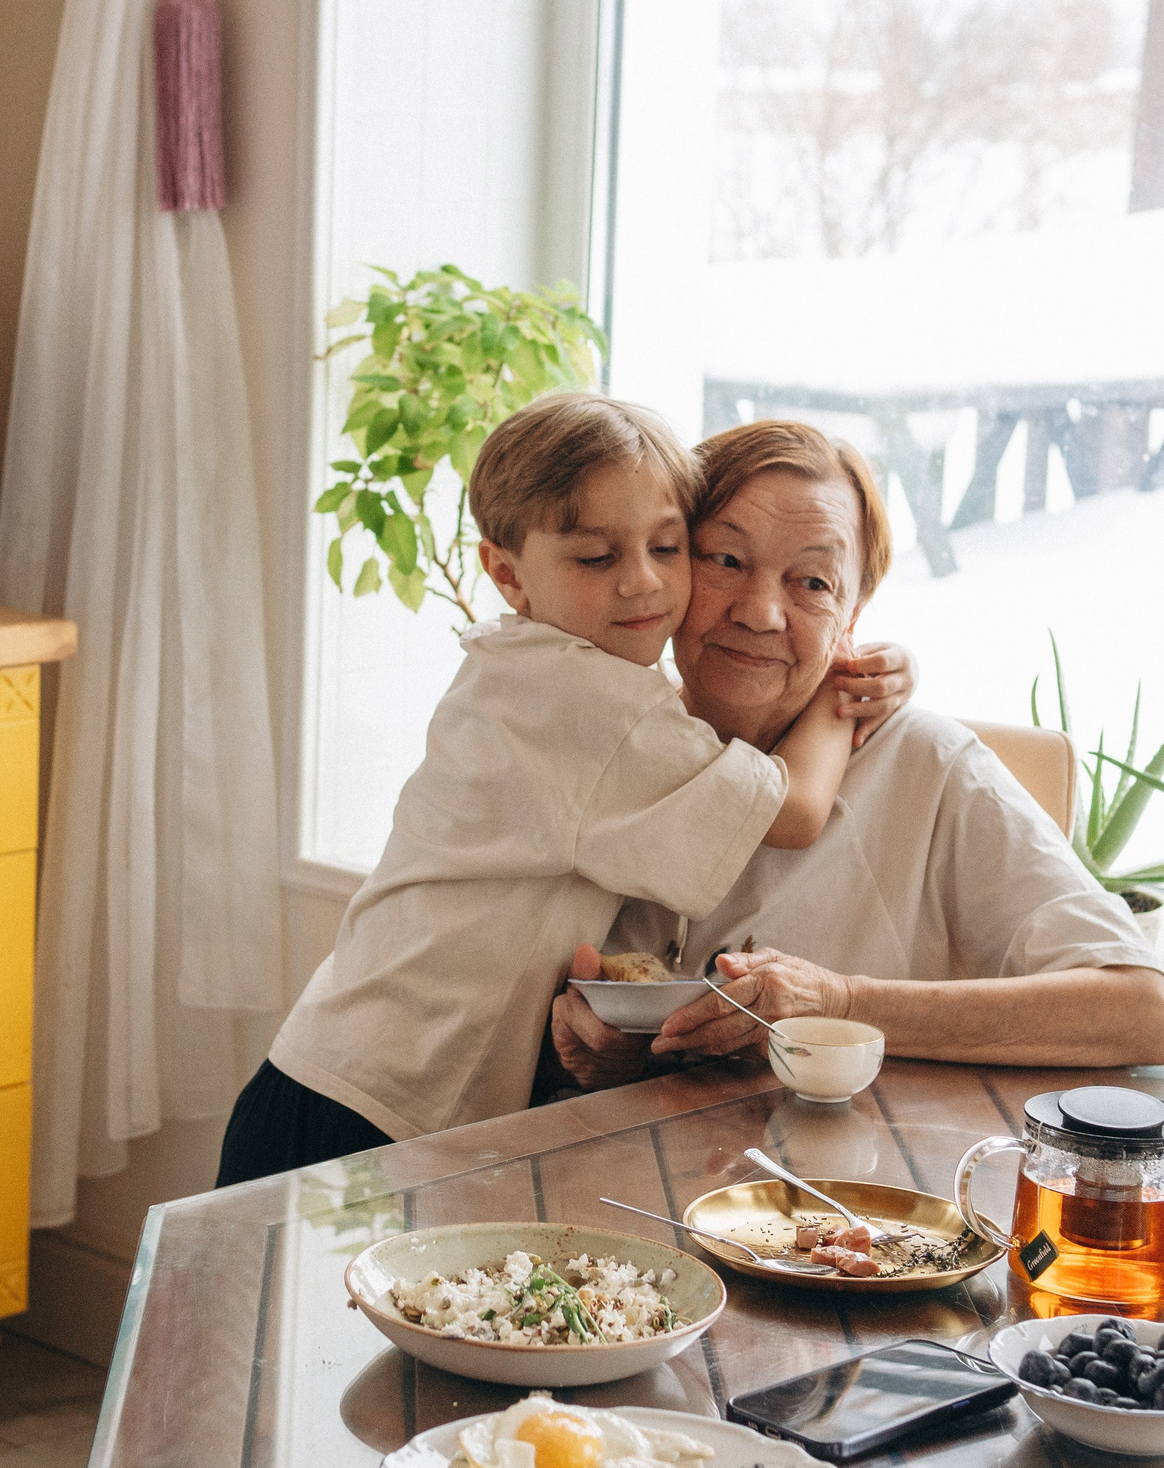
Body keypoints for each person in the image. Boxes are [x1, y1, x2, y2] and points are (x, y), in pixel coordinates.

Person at [216, 395, 911, 1187]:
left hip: (361, 1085)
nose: (642, 583)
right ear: (507, 574)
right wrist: (838, 695)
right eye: (595, 558)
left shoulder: (538, 671)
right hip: (357, 1112)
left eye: (668, 546)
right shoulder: (584, 700)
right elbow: (793, 812)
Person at [547, 419, 1164, 1093]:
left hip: (867, 1180)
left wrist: (840, 1002)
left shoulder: (926, 766)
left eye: (813, 582)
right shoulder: (607, 757)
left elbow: (1140, 1011)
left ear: (854, 611)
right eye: (725, 561)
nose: (761, 612)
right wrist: (600, 1057)